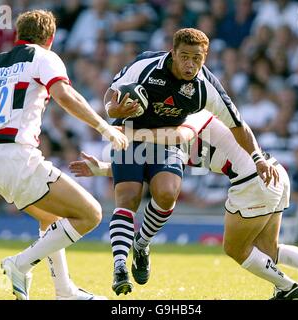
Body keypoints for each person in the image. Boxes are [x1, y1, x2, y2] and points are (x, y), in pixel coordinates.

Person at [0, 10, 128, 300]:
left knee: (50, 220)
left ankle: (64, 291)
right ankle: (19, 264)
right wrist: (104, 128)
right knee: (90, 214)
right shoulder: (43, 57)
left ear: (17, 36)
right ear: (50, 38)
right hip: (17, 155)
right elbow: (63, 95)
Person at [70, 109, 298, 300]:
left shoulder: (195, 115)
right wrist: (104, 169)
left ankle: (287, 288)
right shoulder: (173, 138)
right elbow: (148, 167)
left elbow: (178, 135)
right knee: (269, 250)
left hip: (251, 181)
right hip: (274, 172)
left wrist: (130, 133)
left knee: (234, 249)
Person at [103, 27, 279, 295]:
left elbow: (238, 124)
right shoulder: (146, 65)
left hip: (168, 140)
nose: (190, 64)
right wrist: (112, 109)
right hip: (129, 133)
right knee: (128, 197)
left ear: (204, 57)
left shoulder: (206, 87)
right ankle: (118, 268)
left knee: (167, 194)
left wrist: (258, 158)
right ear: (172, 53)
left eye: (197, 58)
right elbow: (111, 94)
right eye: (184, 56)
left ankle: (141, 245)